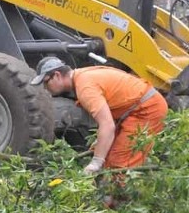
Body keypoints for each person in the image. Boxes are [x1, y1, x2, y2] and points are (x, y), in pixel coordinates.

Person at [30, 57, 167, 176]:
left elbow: (107, 125)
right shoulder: (82, 76)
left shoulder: (85, 88)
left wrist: (96, 162)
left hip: (146, 110)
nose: (45, 87)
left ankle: (120, 200)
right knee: (106, 155)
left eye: (46, 82)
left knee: (119, 165)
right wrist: (99, 147)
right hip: (132, 110)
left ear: (57, 75)